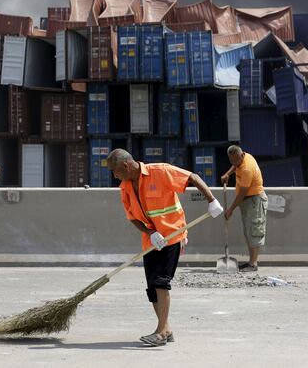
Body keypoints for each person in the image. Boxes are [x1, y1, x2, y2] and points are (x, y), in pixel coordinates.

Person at [106, 148, 223, 347]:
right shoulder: (125, 187)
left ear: (125, 165)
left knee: (161, 282)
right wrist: (151, 233)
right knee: (152, 287)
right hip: (151, 242)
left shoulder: (160, 171)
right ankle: (166, 328)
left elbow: (192, 177)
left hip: (173, 236)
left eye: (115, 171)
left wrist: (211, 200)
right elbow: (132, 218)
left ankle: (160, 333)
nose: (114, 175)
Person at [220, 145, 267, 272]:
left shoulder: (247, 168)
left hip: (254, 201)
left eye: (236, 160)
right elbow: (236, 165)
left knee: (254, 231)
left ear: (242, 155)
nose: (235, 163)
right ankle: (251, 262)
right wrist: (227, 173)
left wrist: (230, 210)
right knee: (248, 232)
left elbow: (242, 193)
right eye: (232, 161)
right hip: (247, 201)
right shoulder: (241, 159)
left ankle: (253, 264)